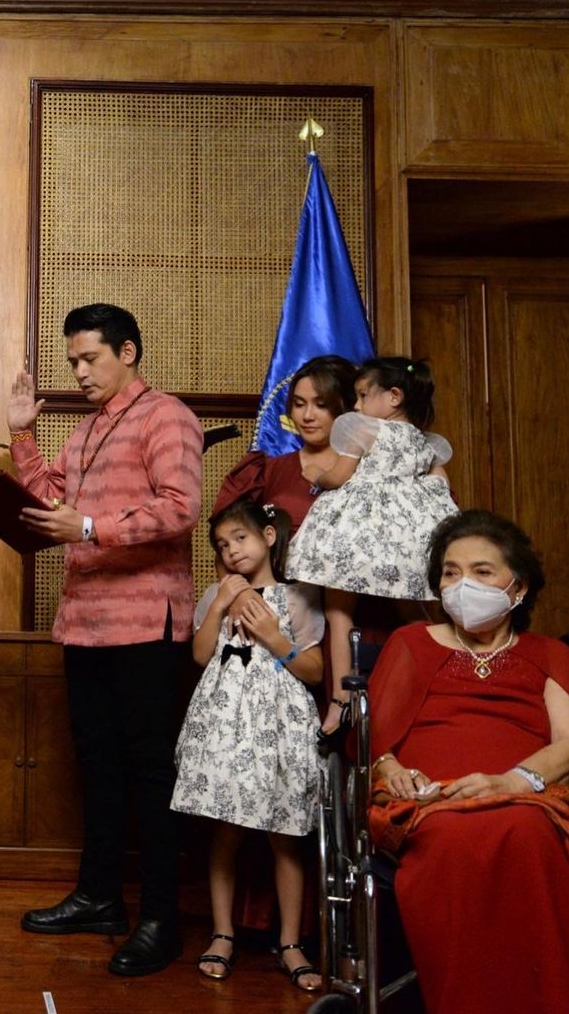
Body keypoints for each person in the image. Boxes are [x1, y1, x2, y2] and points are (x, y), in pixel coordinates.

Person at [8, 303, 202, 976]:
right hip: (84, 623)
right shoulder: (87, 430)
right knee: (97, 766)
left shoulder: (166, 415)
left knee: (152, 773)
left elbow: (180, 509)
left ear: (128, 352)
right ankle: (99, 898)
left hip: (146, 623)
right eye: (72, 362)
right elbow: (52, 497)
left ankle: (160, 918)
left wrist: (88, 528)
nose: (80, 372)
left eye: (90, 358)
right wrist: (21, 435)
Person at [367, 510, 569, 1014]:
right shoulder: (410, 644)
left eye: (482, 572)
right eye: (451, 572)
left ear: (519, 585)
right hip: (431, 801)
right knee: (454, 840)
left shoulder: (549, 653)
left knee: (525, 832)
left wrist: (511, 781)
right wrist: (390, 769)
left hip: (529, 796)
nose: (463, 584)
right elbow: (374, 743)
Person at [171, 501, 324, 992]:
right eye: (222, 544)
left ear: (270, 537)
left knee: (286, 834)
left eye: (240, 538)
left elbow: (316, 671)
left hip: (279, 725)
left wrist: (276, 640)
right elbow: (199, 655)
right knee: (226, 831)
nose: (231, 550)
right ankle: (221, 933)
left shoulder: (298, 597)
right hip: (225, 727)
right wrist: (219, 604)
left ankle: (290, 943)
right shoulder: (216, 593)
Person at [285, 357, 459, 735]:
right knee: (415, 610)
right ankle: (446, 676)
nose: (358, 405)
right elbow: (441, 490)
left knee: (337, 610)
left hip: (358, 544)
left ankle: (340, 700)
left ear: (394, 397)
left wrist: (317, 474)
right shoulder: (424, 443)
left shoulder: (363, 430)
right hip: (405, 546)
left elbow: (339, 476)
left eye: (364, 395)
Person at [211, 354, 358, 532]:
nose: (307, 416)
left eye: (321, 405)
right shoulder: (265, 472)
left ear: (348, 407)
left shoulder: (373, 466)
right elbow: (228, 543)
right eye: (299, 404)